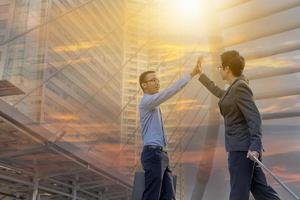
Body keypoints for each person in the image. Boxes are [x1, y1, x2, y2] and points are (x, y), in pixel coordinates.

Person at [197, 50, 280, 200]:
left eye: (220, 67)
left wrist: (255, 146)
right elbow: (220, 93)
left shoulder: (239, 88)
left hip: (242, 150)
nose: (220, 70)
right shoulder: (234, 88)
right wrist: (201, 76)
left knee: (238, 193)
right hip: (244, 149)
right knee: (262, 192)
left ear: (227, 68)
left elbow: (254, 117)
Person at [139, 64, 200, 200]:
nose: (157, 82)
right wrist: (190, 74)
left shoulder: (153, 104)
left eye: (157, 80)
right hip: (153, 154)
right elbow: (170, 92)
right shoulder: (147, 102)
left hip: (161, 155)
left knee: (169, 196)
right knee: (152, 196)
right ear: (144, 85)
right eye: (153, 80)